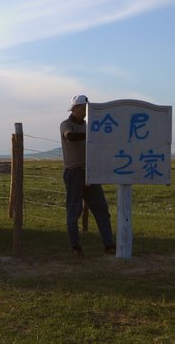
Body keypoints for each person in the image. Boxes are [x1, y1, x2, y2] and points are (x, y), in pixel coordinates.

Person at [60, 94, 116, 256]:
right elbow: (70, 136)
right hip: (74, 172)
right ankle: (75, 246)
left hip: (90, 172)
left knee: (101, 209)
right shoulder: (66, 124)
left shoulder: (88, 125)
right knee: (74, 209)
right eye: (83, 108)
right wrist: (92, 135)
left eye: (86, 109)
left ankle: (108, 244)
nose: (85, 112)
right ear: (75, 108)